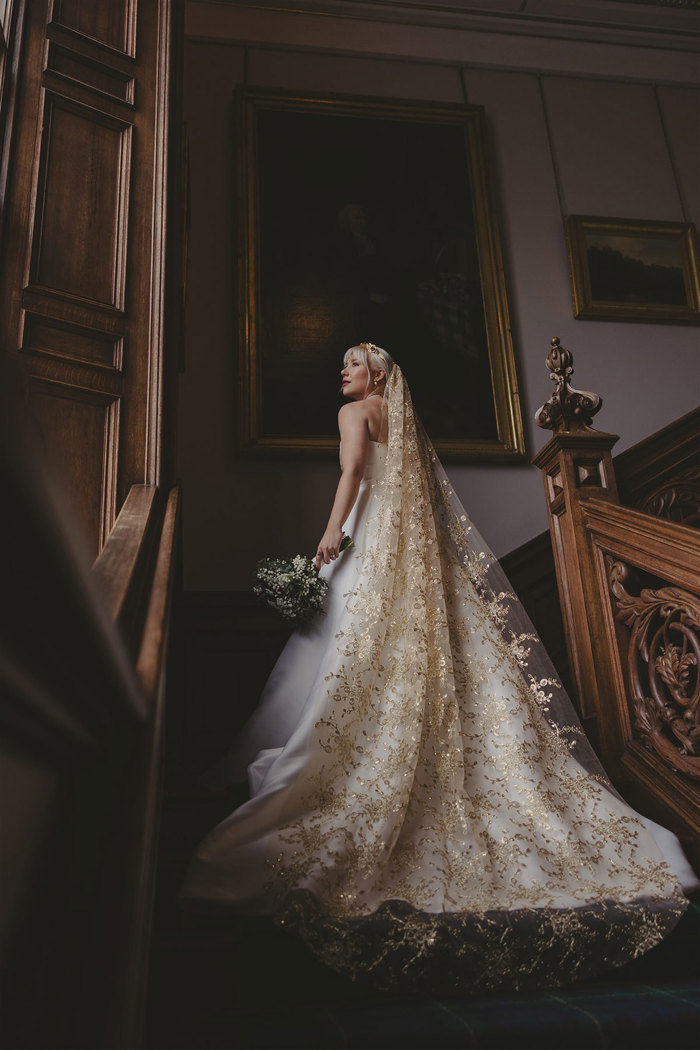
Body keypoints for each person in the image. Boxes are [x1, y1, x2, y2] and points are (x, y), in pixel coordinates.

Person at [181, 343, 697, 992]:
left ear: (377, 376)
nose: (343, 374)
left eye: (353, 364)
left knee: (344, 657)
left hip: (372, 543)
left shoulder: (356, 417)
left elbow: (351, 476)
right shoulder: (404, 420)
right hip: (421, 561)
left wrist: (330, 535)